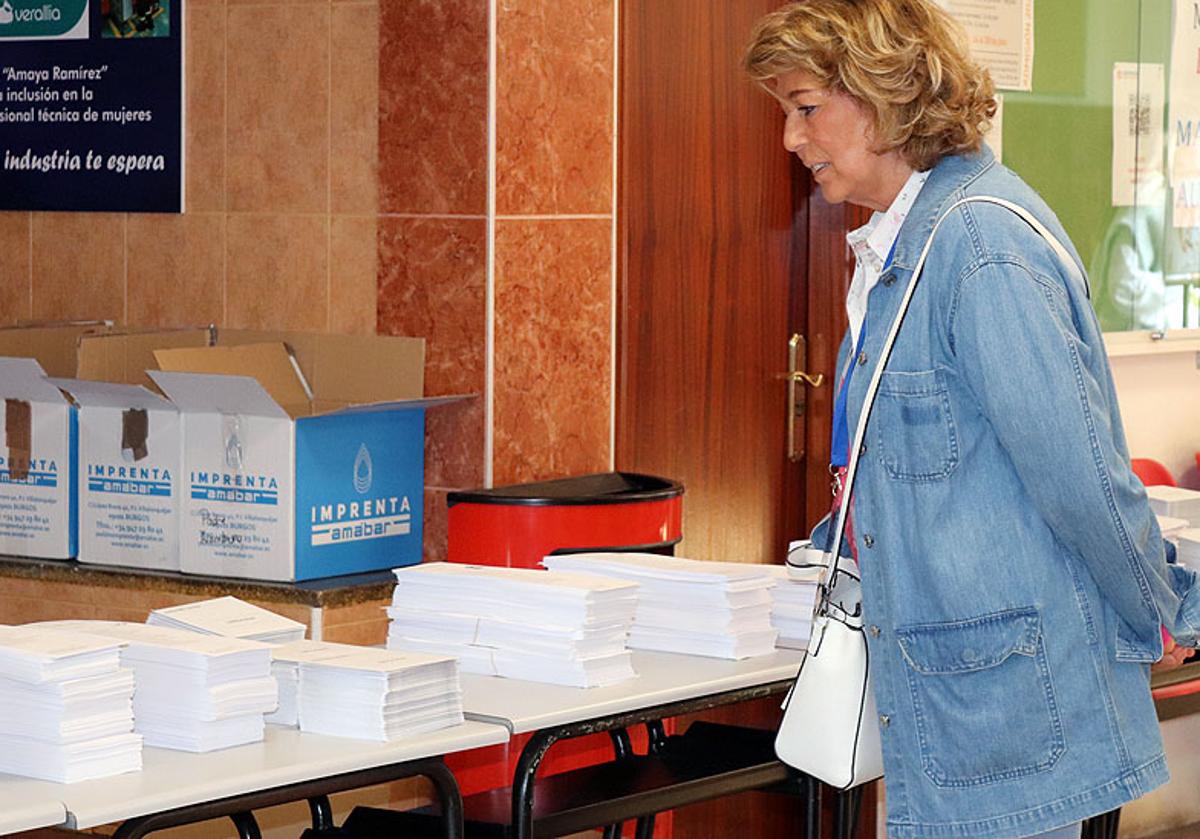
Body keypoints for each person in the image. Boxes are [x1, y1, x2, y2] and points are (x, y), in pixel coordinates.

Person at [743, 2, 1200, 837]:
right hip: (953, 702)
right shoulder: (903, 245)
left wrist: (1159, 608)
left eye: (806, 107)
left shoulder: (980, 248)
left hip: (1008, 718)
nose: (790, 138)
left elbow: (1082, 478)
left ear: (881, 96)